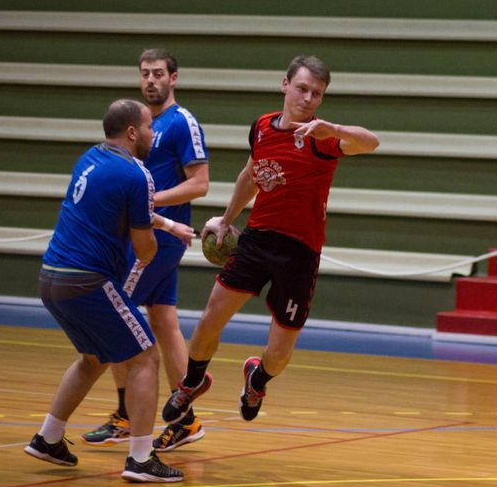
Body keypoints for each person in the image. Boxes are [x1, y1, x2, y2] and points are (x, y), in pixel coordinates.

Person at [159, 55, 379, 426]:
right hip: (257, 239)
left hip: (300, 253)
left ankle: (257, 380)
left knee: (279, 354)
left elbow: (371, 142)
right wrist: (226, 220)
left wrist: (334, 128)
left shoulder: (321, 138)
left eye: (317, 94)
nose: (308, 98)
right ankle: (192, 382)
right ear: (285, 84)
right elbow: (250, 175)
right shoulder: (262, 127)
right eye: (302, 88)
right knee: (210, 318)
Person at [24, 99, 196, 483]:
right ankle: (141, 458)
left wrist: (169, 225)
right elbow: (144, 247)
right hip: (88, 281)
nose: (153, 133)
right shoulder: (137, 173)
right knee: (145, 357)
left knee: (93, 358)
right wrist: (155, 247)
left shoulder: (90, 158)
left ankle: (48, 438)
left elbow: (126, 208)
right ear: (132, 132)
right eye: (149, 127)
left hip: (52, 278)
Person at [81, 49, 210, 453]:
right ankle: (185, 419)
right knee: (164, 320)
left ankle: (126, 415)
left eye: (158, 73)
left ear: (174, 78)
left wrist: (150, 201)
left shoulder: (181, 122)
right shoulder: (140, 123)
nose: (151, 80)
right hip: (144, 232)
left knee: (114, 315)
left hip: (158, 239)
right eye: (145, 74)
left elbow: (200, 183)